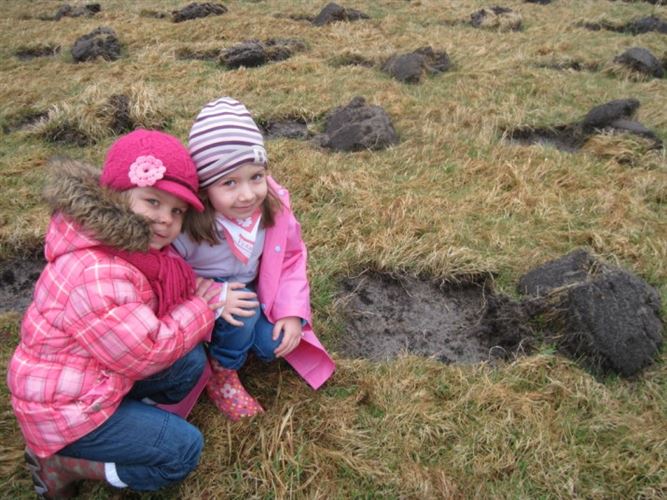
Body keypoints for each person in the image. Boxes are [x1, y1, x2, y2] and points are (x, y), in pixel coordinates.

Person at [7, 130, 224, 497]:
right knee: (182, 451)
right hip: (64, 412)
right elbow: (146, 352)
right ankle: (62, 464)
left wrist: (195, 306)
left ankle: (127, 422)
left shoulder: (122, 247)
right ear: (117, 195)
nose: (166, 219)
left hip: (95, 379)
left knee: (188, 363)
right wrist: (201, 308)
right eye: (153, 201)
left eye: (177, 211)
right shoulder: (98, 271)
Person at [173, 96, 335, 421]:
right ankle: (222, 372)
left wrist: (291, 312)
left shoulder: (273, 208)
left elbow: (290, 259)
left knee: (273, 345)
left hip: (250, 292)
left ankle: (232, 342)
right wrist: (213, 294)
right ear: (204, 187)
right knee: (243, 313)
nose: (247, 194)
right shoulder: (187, 225)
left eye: (256, 177)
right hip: (197, 300)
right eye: (229, 182)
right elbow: (166, 271)